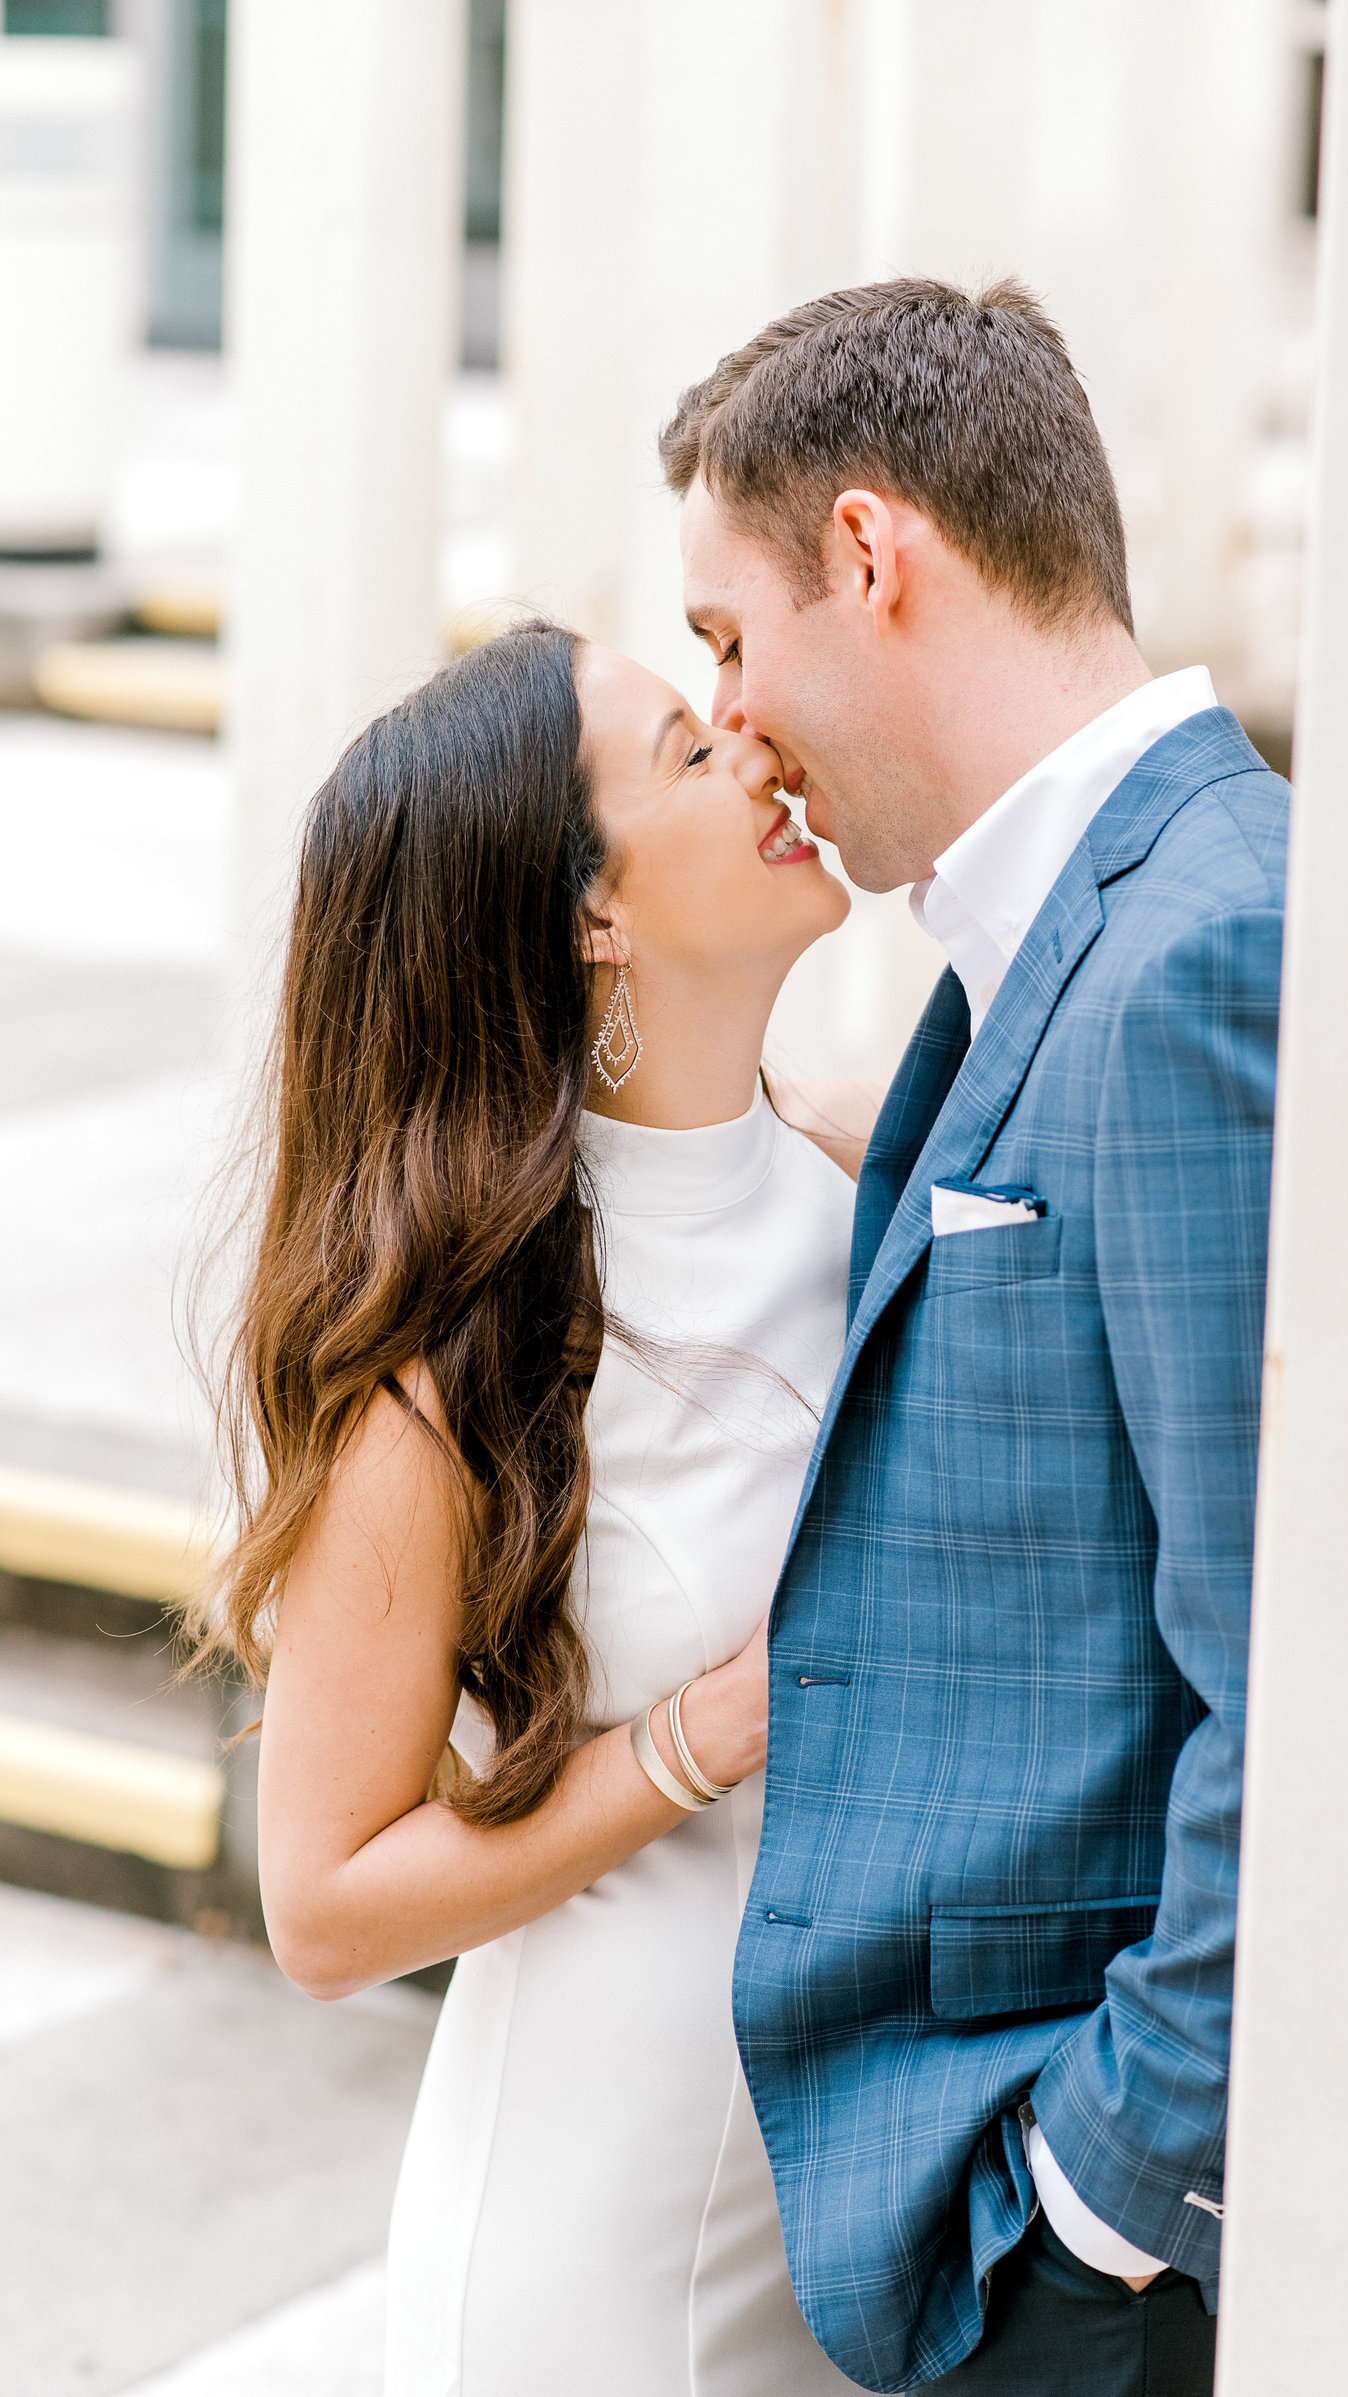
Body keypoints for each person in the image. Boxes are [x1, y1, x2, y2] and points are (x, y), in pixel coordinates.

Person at [663, 277, 1289, 2393]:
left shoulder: (1204, 946)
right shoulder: (1049, 944)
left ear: (867, 551)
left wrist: (1100, 2202)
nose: (732, 722)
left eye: (728, 639)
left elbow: (1289, 1667)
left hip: (1099, 2258)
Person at [190, 622, 873, 2395]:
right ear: (595, 917)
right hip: (597, 2255)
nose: (753, 745)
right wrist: (691, 1741)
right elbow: (321, 1904)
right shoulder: (463, 1371)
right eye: (685, 752)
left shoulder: (852, 1176)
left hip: (847, 2204)